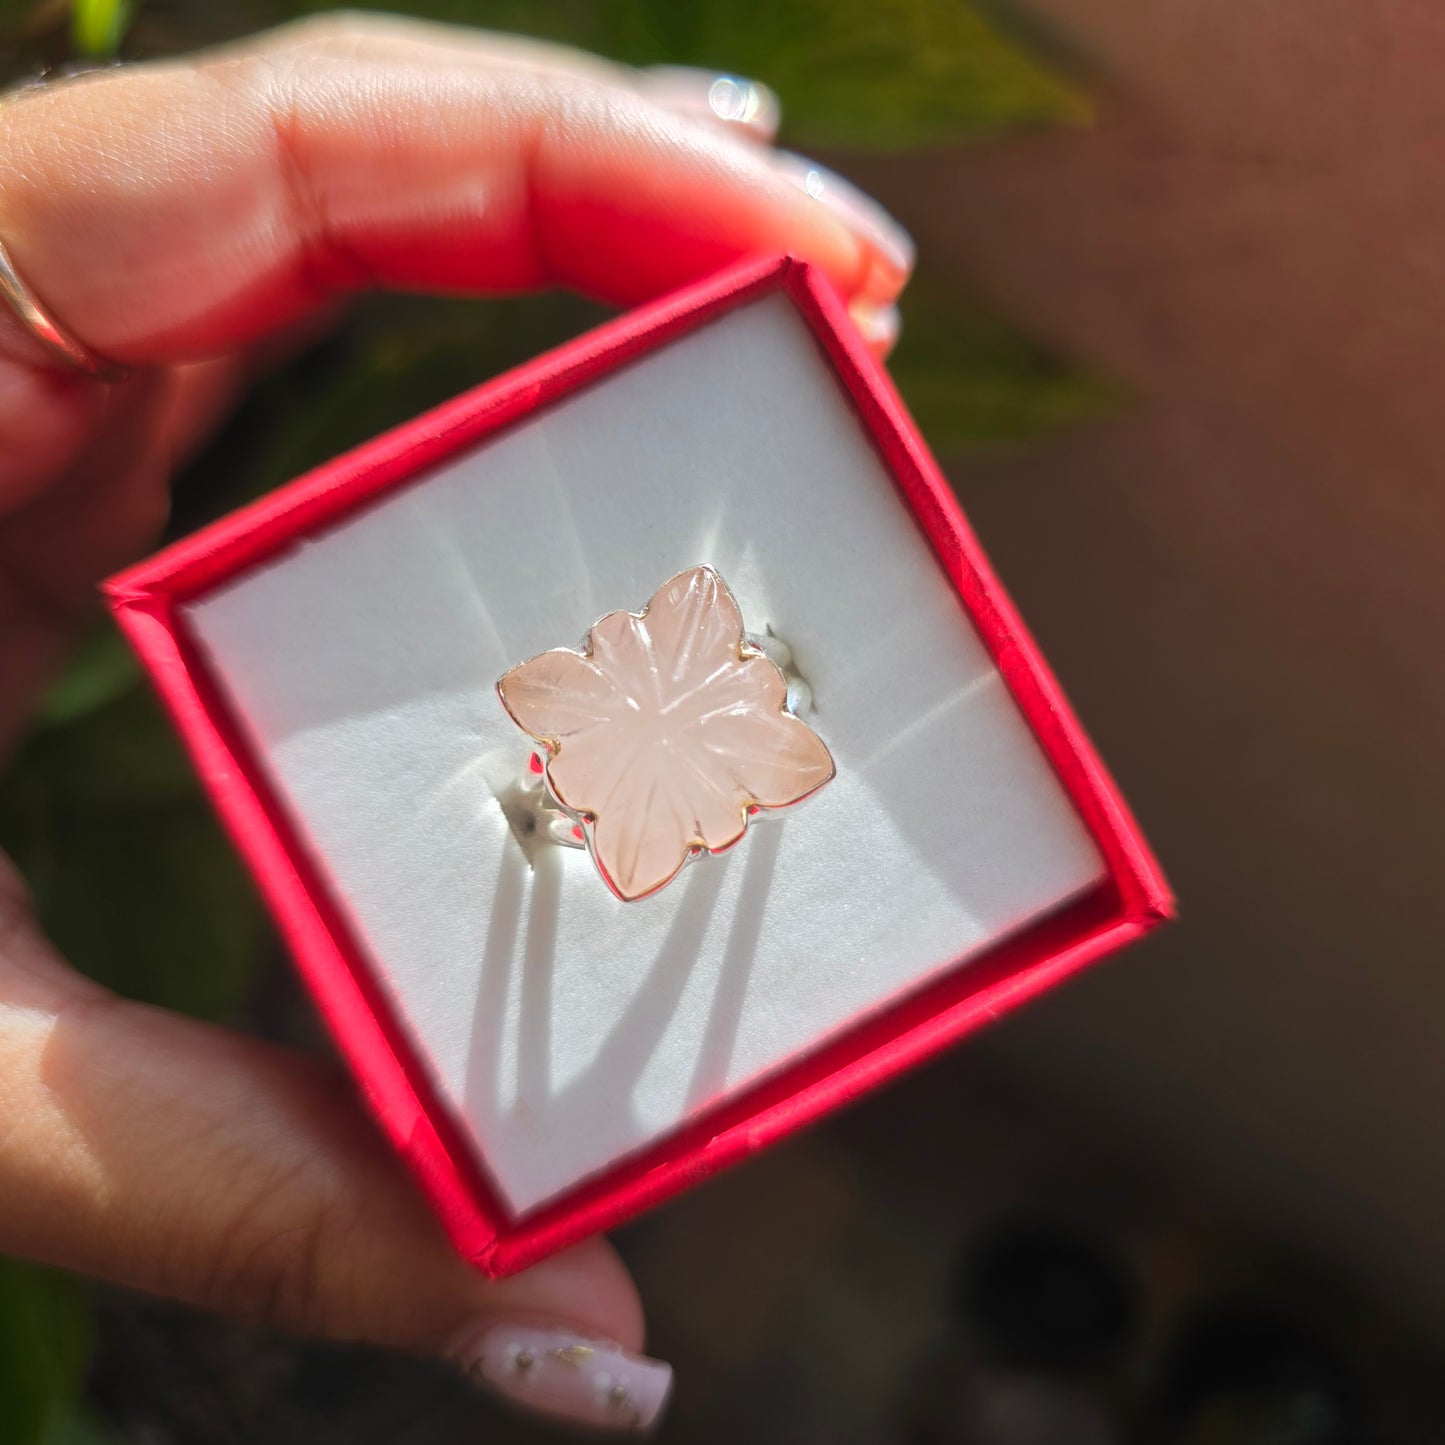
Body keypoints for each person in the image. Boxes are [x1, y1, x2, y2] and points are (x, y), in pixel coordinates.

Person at [0, 13, 912, 1435]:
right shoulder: (610, 709)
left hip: (650, 758)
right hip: (617, 749)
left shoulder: (690, 729)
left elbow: (680, 711)